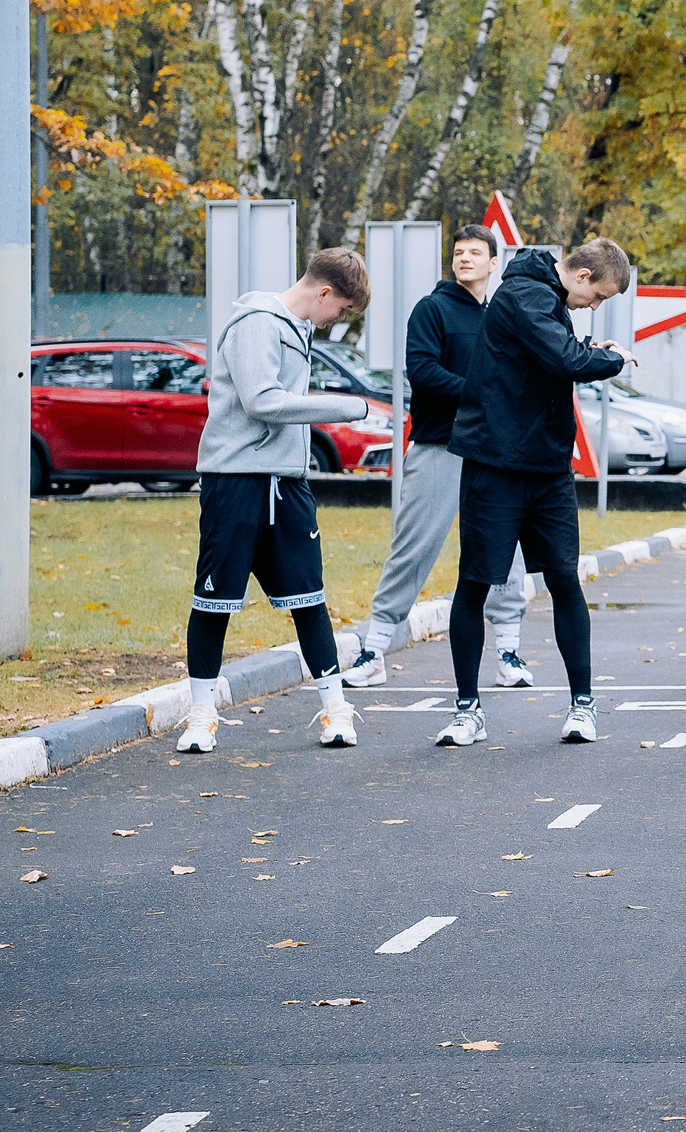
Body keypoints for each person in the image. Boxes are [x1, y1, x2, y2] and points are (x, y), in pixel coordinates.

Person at [431, 239, 636, 748]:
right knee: (474, 584)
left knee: (564, 579)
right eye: (599, 297)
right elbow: (563, 358)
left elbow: (552, 355)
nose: (596, 306)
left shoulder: (545, 296)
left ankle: (582, 706)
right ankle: (467, 711)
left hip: (546, 467)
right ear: (583, 275)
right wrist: (610, 359)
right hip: (496, 465)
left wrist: (591, 351)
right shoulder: (525, 293)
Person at [175, 248, 375, 754]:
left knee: (309, 598)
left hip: (286, 483)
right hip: (235, 481)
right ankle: (201, 717)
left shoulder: (297, 328)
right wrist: (347, 408)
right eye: (342, 309)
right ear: (324, 292)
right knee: (215, 601)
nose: (337, 320)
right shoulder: (257, 322)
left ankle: (335, 710)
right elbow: (261, 400)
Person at [344, 224, 534, 690]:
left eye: (475, 252)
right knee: (414, 547)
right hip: (439, 446)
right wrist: (482, 393)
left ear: (494, 263)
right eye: (459, 252)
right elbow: (424, 371)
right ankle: (374, 652)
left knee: (506, 552)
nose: (465, 258)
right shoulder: (432, 309)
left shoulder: (503, 315)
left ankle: (508, 654)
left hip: (494, 454)